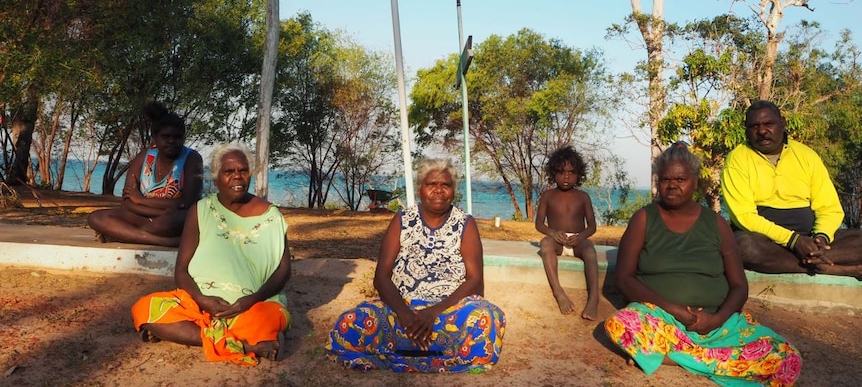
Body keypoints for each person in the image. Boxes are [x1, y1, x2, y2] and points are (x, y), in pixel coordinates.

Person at [604, 142, 802, 385]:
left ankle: (673, 357)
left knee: (788, 357)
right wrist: (672, 309)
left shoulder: (716, 223)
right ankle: (718, 362)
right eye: (665, 179)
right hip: (663, 321)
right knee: (620, 325)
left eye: (681, 179)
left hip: (719, 328)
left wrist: (717, 319)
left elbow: (739, 286)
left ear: (695, 182)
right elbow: (624, 278)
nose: (672, 185)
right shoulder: (644, 218)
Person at [326, 158, 505, 373]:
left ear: (453, 190)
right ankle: (437, 355)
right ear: (421, 188)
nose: (439, 190)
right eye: (432, 184)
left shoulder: (465, 223)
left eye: (445, 185)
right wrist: (404, 313)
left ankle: (407, 353)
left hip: (448, 313)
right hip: (402, 312)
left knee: (486, 317)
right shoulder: (402, 220)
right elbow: (381, 276)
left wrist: (434, 312)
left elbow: (475, 280)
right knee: (352, 320)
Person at [131, 145, 291, 365]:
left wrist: (250, 300)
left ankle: (181, 332)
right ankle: (246, 345)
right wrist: (202, 299)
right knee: (145, 307)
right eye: (229, 172)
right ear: (216, 179)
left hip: (252, 304)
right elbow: (181, 270)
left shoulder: (271, 214)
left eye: (243, 171)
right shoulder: (200, 210)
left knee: (268, 319)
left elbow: (284, 270)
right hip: (200, 302)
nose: (237, 176)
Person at [721, 100, 862, 276]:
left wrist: (821, 238)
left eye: (769, 124)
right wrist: (793, 241)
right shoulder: (737, 159)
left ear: (783, 123)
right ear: (746, 131)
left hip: (810, 237)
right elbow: (744, 217)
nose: (762, 131)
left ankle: (816, 259)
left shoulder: (806, 155)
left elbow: (829, 209)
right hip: (766, 240)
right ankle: (829, 267)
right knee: (742, 246)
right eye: (754, 126)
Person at [88, 101, 203, 247]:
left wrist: (141, 200)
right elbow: (127, 201)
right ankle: (164, 241)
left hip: (171, 219)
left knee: (180, 219)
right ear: (155, 137)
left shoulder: (192, 159)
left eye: (177, 137)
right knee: (96, 218)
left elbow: (187, 202)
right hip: (144, 216)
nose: (172, 141)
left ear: (183, 137)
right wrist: (154, 209)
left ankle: (124, 234)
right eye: (166, 136)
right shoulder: (144, 157)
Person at [534, 145, 599, 319]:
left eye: (571, 172)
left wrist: (581, 237)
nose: (566, 177)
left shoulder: (583, 197)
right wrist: (553, 233)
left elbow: (592, 226)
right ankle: (559, 292)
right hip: (558, 241)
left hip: (578, 241)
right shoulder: (548, 196)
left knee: (591, 251)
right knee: (545, 243)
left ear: (578, 175)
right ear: (553, 173)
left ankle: (593, 298)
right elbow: (539, 224)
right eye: (561, 172)